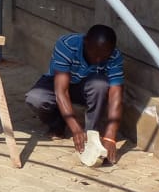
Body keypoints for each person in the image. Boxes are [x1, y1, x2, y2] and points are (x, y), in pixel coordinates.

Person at [25, 24, 124, 165]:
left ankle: (91, 134)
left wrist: (110, 136)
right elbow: (61, 91)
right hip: (57, 83)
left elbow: (116, 95)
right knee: (36, 99)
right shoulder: (67, 45)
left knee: (100, 85)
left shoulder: (114, 56)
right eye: (94, 54)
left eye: (103, 56)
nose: (97, 60)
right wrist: (75, 129)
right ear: (85, 42)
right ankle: (57, 124)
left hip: (86, 86)